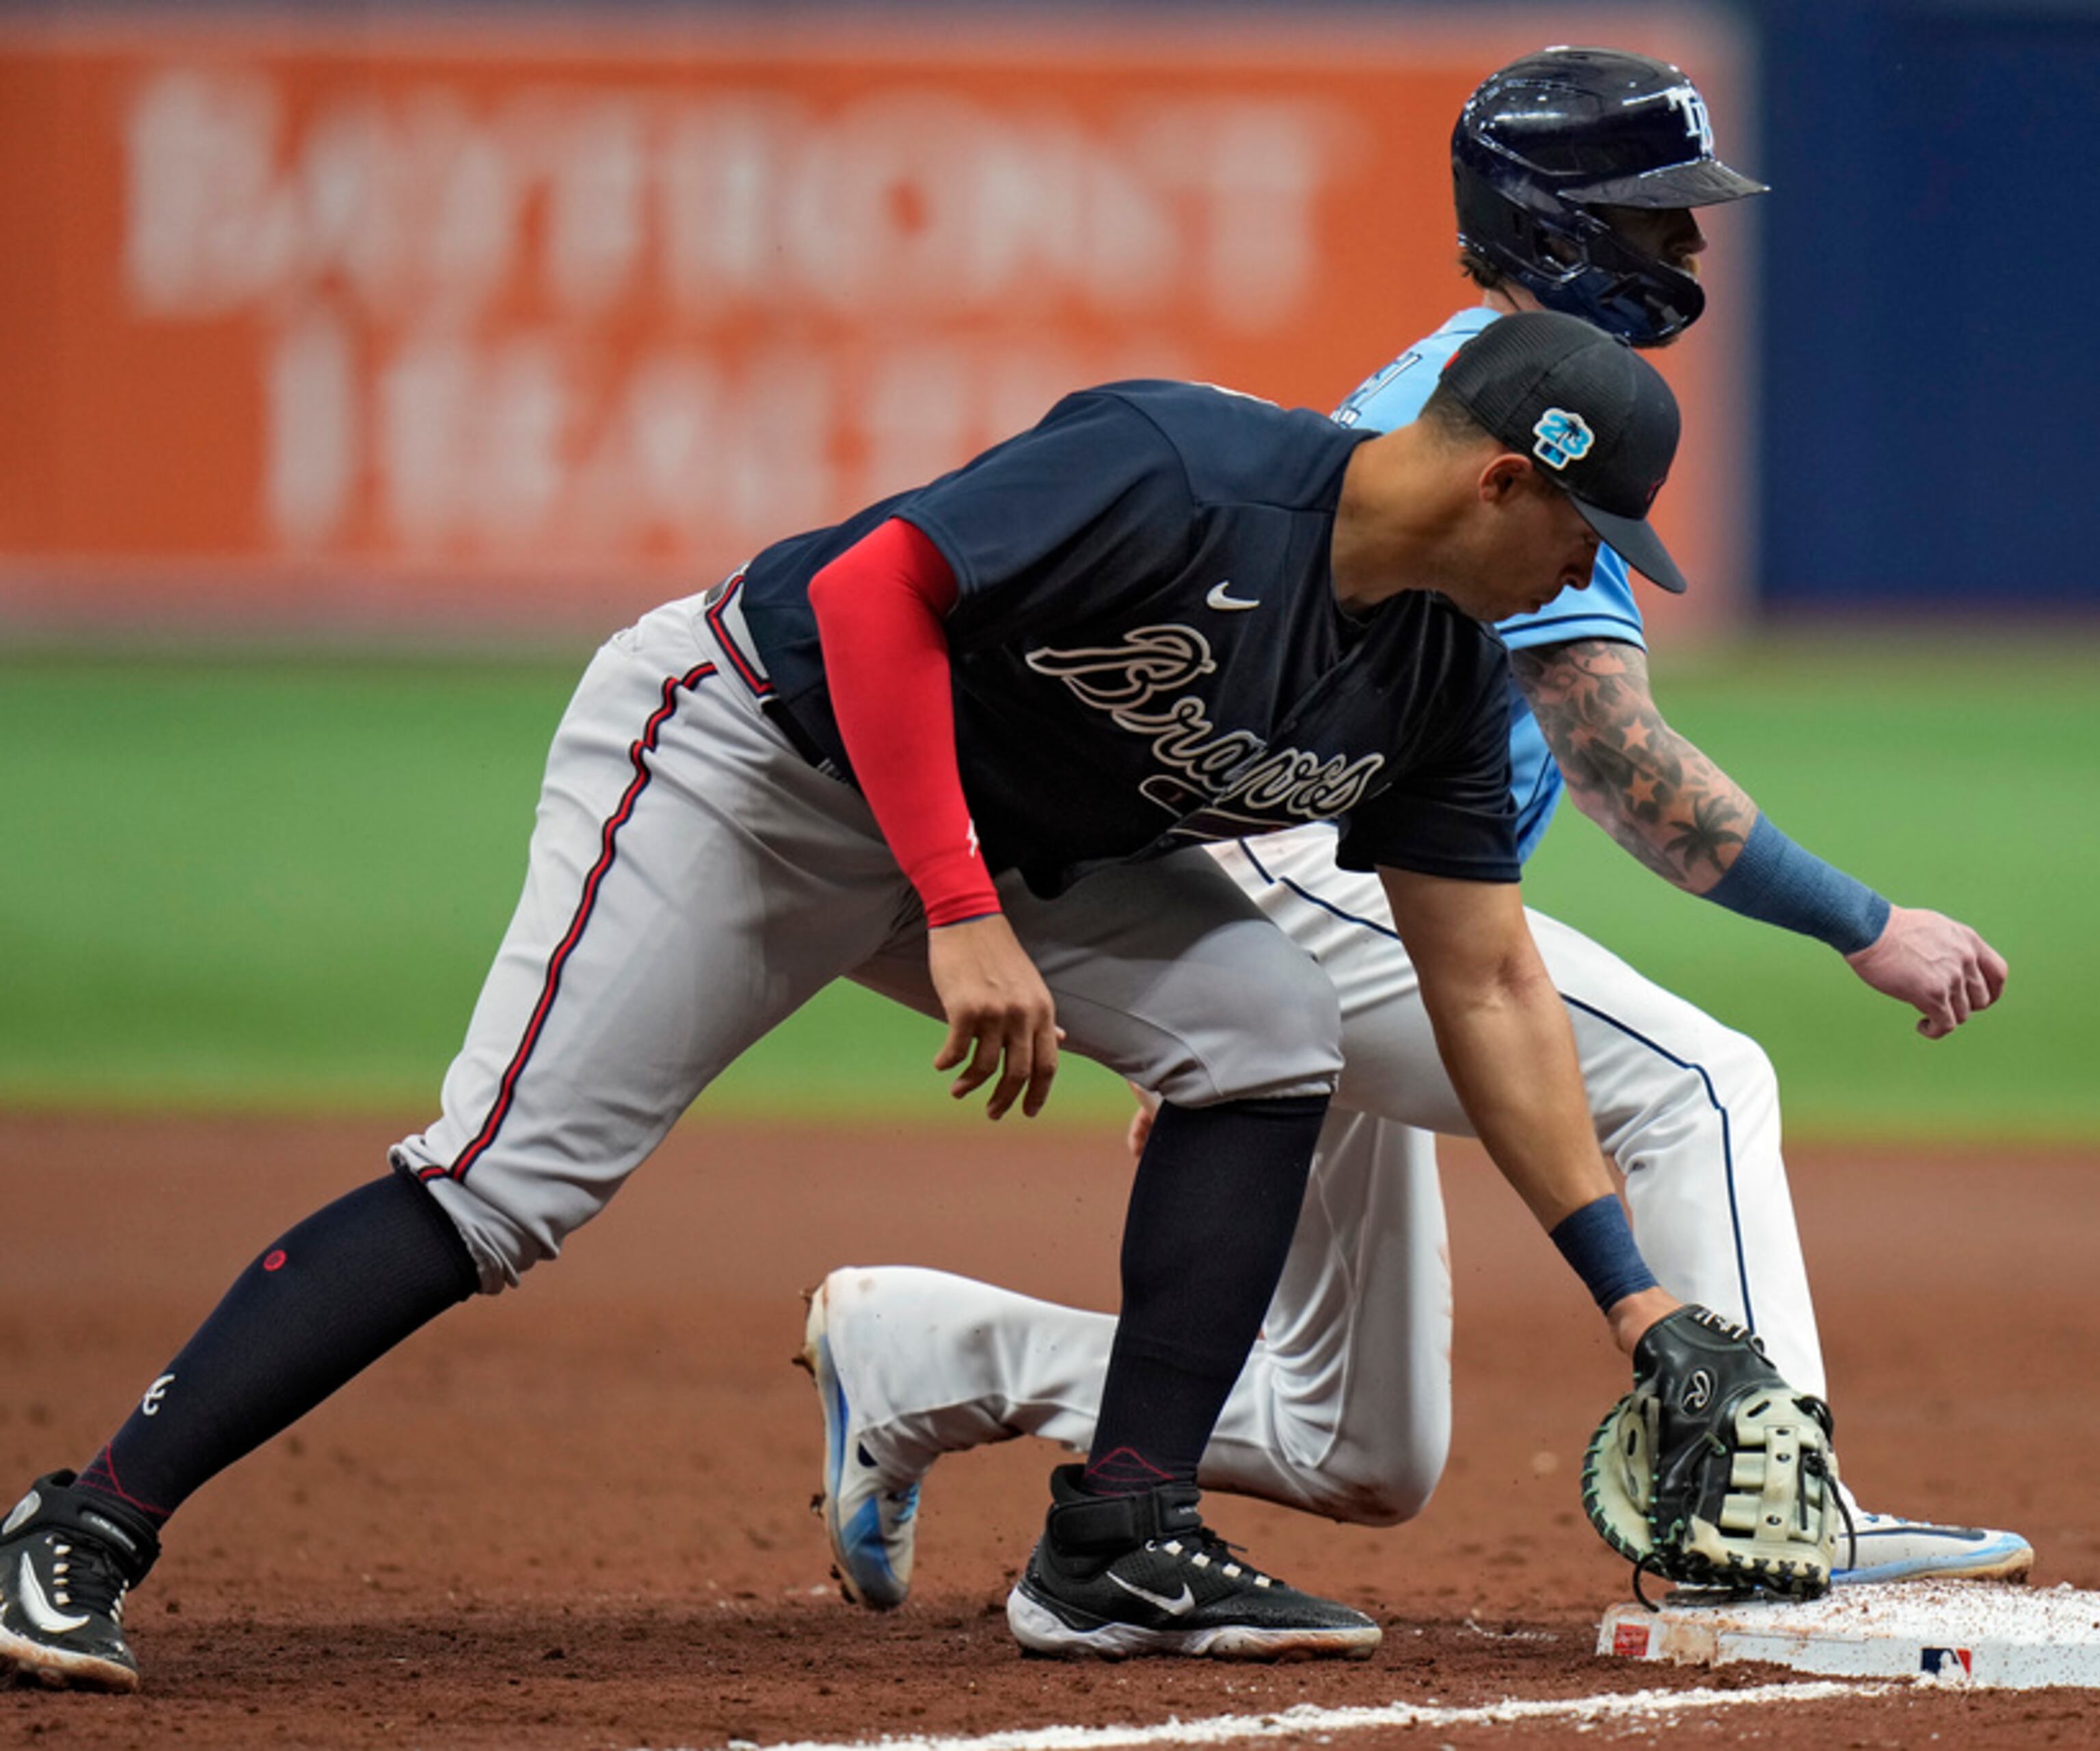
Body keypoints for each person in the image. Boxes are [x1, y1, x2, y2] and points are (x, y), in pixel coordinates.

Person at [0, 311, 1740, 1685]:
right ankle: (81, 1526)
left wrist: (1633, 1298)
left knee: (1269, 1029)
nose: (1595, 574)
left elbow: (1487, 982)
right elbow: (874, 590)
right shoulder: (1185, 465)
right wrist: (959, 909)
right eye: (1594, 531)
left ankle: (1118, 1537)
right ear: (1509, 479)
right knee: (504, 1183)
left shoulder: (1436, 670)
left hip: (1016, 853)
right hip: (750, 762)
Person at [799, 46, 2028, 1614]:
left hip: (1325, 874)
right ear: (1567, 222)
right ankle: (1779, 1501)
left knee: (1359, 1447)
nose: (1695, 254)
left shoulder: (1503, 384)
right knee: (1700, 1083)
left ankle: (922, 1354)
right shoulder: (1522, 431)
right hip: (1326, 873)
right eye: (1665, 220)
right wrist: (1863, 922)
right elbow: (1618, 761)